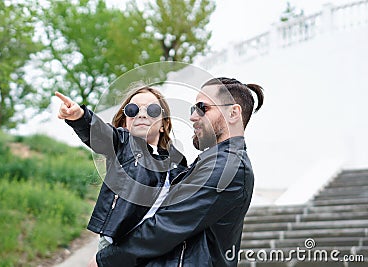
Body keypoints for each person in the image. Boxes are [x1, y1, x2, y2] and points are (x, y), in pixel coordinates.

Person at [93, 77, 264, 267]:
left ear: (233, 113)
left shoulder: (227, 167)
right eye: (192, 109)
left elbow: (166, 226)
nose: (192, 116)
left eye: (202, 107)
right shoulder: (213, 163)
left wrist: (104, 260)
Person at [55, 85, 188, 256]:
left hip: (156, 245)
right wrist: (80, 117)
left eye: (152, 110)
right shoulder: (121, 143)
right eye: (132, 110)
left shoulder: (178, 161)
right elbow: (100, 133)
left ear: (164, 124)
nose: (141, 114)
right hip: (117, 242)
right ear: (125, 122)